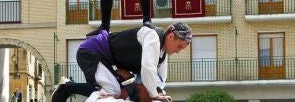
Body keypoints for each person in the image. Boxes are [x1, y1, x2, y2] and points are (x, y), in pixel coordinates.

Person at [52, 23, 192, 102]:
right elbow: (148, 68)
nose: (178, 51)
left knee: (114, 90)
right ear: (171, 36)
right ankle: (66, 87)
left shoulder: (163, 55)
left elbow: (160, 81)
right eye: (179, 46)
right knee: (112, 90)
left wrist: (156, 95)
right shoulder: (153, 36)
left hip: (106, 59)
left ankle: (68, 87)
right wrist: (154, 95)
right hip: (91, 51)